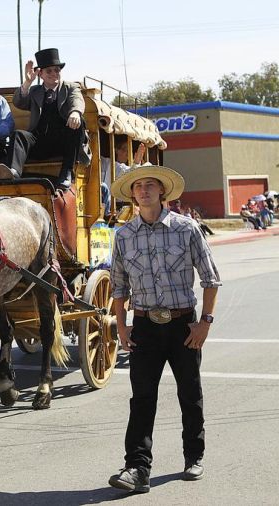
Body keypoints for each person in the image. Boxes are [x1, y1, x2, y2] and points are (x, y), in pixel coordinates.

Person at [108, 164, 221, 493]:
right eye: (138, 186)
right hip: (143, 325)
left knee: (190, 393)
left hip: (183, 325)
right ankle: (136, 468)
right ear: (133, 194)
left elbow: (211, 279)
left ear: (162, 192)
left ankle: (193, 456)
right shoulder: (124, 236)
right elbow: (118, 287)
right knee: (142, 398)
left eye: (150, 185)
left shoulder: (186, 229)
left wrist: (205, 323)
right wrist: (122, 326)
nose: (143, 190)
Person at [9, 48, 89, 189]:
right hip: (40, 142)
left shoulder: (70, 87)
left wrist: (75, 113)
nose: (54, 74)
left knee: (79, 123)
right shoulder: (35, 91)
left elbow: (77, 100)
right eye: (49, 71)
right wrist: (27, 83)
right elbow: (18, 102)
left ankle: (67, 173)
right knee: (19, 134)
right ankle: (14, 172)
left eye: (56, 70)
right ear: (40, 74)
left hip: (64, 144)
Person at [100, 141, 146, 220]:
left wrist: (137, 162)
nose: (127, 153)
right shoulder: (108, 163)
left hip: (118, 208)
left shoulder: (123, 168)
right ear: (117, 150)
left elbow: (130, 174)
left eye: (129, 151)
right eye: (124, 149)